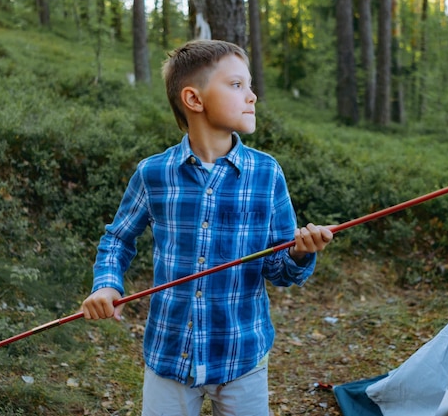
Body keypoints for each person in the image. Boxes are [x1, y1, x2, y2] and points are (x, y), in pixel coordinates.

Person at [80, 39, 333, 416]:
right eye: (236, 85)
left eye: (249, 85)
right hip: (169, 354)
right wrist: (106, 284)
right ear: (194, 100)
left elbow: (279, 270)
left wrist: (299, 251)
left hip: (242, 356)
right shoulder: (154, 173)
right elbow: (117, 238)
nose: (252, 96)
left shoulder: (266, 174)